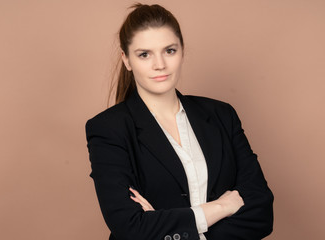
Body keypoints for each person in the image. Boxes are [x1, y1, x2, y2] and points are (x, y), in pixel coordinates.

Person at [86, 3, 273, 240]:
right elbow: (131, 227)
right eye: (144, 54)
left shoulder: (222, 115)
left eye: (169, 51)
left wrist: (166, 225)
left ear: (182, 51)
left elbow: (262, 212)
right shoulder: (107, 129)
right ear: (127, 60)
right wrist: (222, 207)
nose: (160, 64)